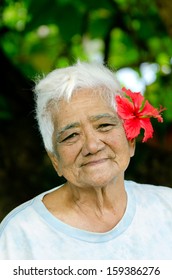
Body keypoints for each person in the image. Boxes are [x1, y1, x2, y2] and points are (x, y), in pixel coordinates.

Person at [0, 61, 172, 260]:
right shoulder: (19, 236)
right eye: (71, 136)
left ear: (130, 141)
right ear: (55, 160)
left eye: (104, 125)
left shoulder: (167, 207)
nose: (92, 146)